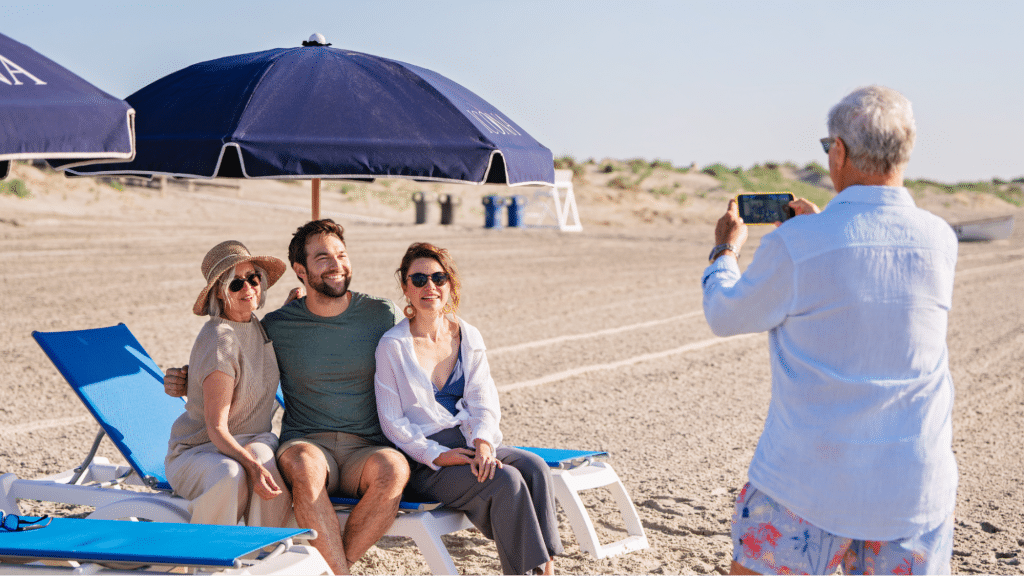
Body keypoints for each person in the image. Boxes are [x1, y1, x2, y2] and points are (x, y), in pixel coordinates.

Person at [703, 85, 957, 576]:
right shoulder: (939, 240)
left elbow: (726, 314)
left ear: (837, 150)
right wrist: (818, 231)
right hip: (913, 484)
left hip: (808, 480)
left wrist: (725, 253)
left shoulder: (801, 244)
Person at [165, 220, 408, 576]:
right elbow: (223, 357)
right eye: (322, 257)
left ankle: (331, 568)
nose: (336, 264)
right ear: (300, 270)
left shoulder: (380, 315)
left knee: (394, 470)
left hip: (365, 448)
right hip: (305, 444)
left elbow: (241, 356)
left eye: (341, 255)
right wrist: (185, 381)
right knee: (291, 469)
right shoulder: (277, 325)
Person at [374, 242, 563, 576]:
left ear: (450, 284)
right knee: (507, 482)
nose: (429, 286)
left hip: (467, 443)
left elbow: (484, 401)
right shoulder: (393, 345)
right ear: (405, 287)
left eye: (438, 277)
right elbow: (392, 421)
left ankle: (545, 569)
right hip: (425, 463)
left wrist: (484, 441)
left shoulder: (467, 335)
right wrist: (436, 454)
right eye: (417, 279)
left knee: (534, 468)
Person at [164, 240, 292, 528]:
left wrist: (290, 307)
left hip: (252, 439)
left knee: (263, 458)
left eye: (253, 279)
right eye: (236, 284)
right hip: (204, 450)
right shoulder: (220, 339)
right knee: (232, 475)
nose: (248, 288)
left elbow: (254, 354)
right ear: (220, 295)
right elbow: (216, 429)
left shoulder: (255, 325)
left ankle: (263, 551)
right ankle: (207, 557)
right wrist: (252, 467)